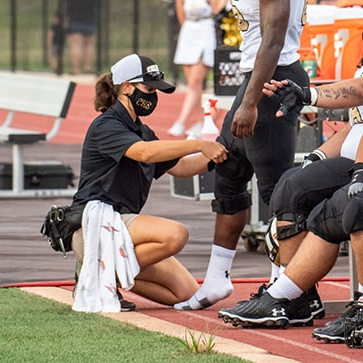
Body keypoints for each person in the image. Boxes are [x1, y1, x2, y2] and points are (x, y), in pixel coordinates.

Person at [173, 0, 310, 311]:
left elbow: (273, 41)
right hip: (256, 76)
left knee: (276, 192)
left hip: (273, 79)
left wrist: (249, 103)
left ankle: (284, 288)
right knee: (228, 169)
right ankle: (216, 278)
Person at [70, 53, 228, 312]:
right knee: (176, 234)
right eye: (148, 89)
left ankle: (106, 276)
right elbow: (143, 153)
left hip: (124, 233)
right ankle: (97, 273)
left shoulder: (142, 131)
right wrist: (199, 144)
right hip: (96, 226)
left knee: (187, 294)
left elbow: (182, 167)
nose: (153, 96)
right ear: (126, 87)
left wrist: (223, 151)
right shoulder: (106, 126)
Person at [218, 76, 363, 345]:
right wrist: (316, 157)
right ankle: (295, 297)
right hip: (354, 159)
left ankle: (358, 307)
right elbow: (357, 121)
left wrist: (307, 95)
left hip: (359, 164)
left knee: (353, 206)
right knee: (291, 186)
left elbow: (360, 90)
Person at [168, 0, 226, 139]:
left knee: (195, 82)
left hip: (205, 32)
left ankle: (181, 122)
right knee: (193, 86)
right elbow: (181, 16)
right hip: (188, 32)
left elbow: (217, 10)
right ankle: (202, 122)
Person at [65, 0, 97, 75]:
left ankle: (76, 69)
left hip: (75, 21)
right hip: (90, 21)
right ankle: (88, 67)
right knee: (89, 45)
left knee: (76, 45)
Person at [47, 10, 66, 75]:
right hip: (55, 44)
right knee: (54, 56)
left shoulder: (63, 26)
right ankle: (55, 68)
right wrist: (49, 43)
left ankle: (60, 68)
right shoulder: (54, 26)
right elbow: (50, 35)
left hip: (61, 44)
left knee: (60, 56)